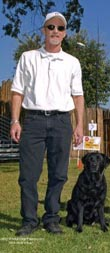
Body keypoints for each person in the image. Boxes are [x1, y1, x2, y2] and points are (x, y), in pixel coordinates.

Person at [10, 11, 84, 236]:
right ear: (43, 30)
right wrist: (15, 120)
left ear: (64, 34)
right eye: (51, 27)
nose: (55, 31)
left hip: (62, 121)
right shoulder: (28, 57)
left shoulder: (72, 62)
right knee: (28, 175)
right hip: (33, 121)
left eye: (60, 28)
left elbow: (78, 95)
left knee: (59, 174)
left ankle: (51, 218)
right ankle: (29, 220)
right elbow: (17, 92)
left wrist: (79, 124)